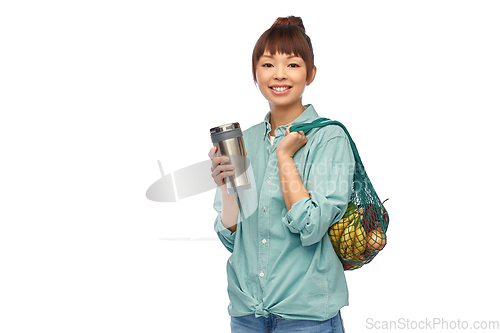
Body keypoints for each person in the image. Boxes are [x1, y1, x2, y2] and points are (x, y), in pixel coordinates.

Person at [208, 16, 354, 333]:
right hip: (248, 313)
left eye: (292, 65)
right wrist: (225, 190)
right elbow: (233, 238)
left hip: (307, 316)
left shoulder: (329, 138)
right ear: (255, 73)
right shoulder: (243, 141)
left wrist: (284, 157)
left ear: (310, 73)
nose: (279, 75)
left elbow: (311, 226)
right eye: (268, 64)